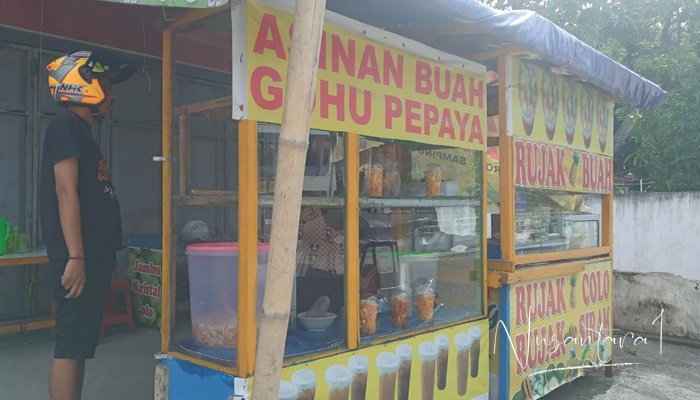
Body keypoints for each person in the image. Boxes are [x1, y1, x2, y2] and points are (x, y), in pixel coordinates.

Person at [40, 50, 137, 400]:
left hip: (93, 254)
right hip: (78, 257)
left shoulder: (80, 130)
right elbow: (65, 190)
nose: (112, 94)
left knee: (80, 345)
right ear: (83, 85)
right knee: (70, 345)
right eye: (106, 84)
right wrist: (76, 257)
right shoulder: (66, 125)